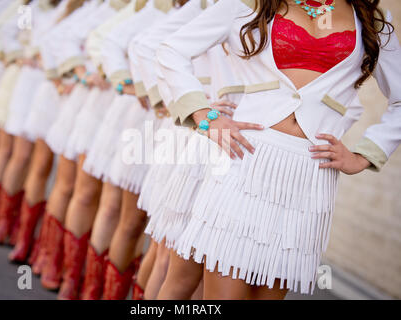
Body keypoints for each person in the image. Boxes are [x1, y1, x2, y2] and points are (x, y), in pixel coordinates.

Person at [157, 0, 401, 298]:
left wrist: (365, 154)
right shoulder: (249, 3)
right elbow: (172, 50)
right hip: (245, 160)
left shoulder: (371, 18)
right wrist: (203, 115)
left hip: (309, 177)